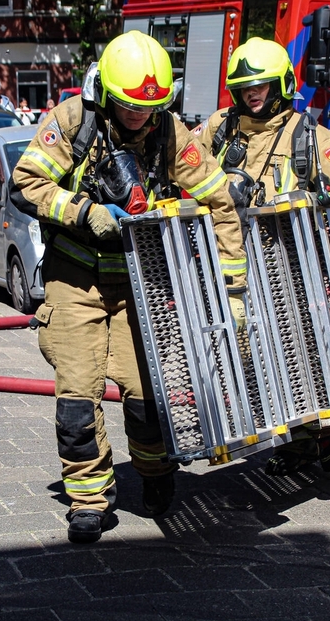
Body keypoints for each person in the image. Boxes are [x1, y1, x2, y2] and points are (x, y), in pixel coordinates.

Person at [13, 30, 247, 544]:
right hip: (74, 279)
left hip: (139, 282)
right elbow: (26, 185)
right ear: (106, 95)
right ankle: (89, 500)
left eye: (151, 107)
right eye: (129, 107)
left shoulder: (168, 132)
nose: (140, 117)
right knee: (78, 396)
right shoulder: (73, 122)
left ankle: (158, 473)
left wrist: (233, 287)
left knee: (147, 396)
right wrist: (85, 212)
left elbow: (218, 198)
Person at [198, 38, 330, 476]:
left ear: (281, 84)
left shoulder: (309, 136)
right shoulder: (219, 129)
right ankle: (291, 444)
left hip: (295, 271)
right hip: (236, 268)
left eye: (261, 85)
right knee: (254, 356)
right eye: (244, 87)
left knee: (308, 354)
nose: (252, 94)